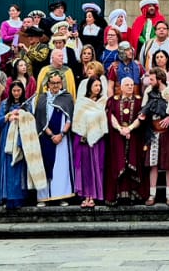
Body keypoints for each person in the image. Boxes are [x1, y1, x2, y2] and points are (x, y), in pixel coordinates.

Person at [32, 70, 75, 205]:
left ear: (62, 83)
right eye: (52, 83)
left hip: (62, 139)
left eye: (58, 83)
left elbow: (70, 118)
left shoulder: (67, 98)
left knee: (61, 168)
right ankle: (44, 197)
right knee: (45, 166)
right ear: (48, 84)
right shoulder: (43, 98)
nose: (55, 86)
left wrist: (61, 134)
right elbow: (40, 119)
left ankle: (61, 196)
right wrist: (51, 135)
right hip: (46, 138)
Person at [0, 81, 38, 210]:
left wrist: (22, 116)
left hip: (22, 137)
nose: (16, 93)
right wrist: (9, 116)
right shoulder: (4, 104)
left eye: (19, 90)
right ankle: (8, 197)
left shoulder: (27, 104)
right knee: (8, 168)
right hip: (7, 139)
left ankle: (20, 197)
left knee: (20, 167)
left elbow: (32, 119)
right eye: (14, 91)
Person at [104, 76, 146, 205]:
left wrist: (130, 129)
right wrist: (120, 129)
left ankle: (133, 195)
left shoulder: (139, 101)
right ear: (121, 87)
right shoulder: (113, 101)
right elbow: (110, 116)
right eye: (127, 85)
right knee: (118, 162)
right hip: (117, 137)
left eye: (132, 85)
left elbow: (142, 117)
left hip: (134, 137)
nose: (130, 87)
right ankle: (119, 195)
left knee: (133, 162)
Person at [71, 75, 111, 207]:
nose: (98, 88)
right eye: (95, 85)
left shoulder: (104, 101)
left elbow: (105, 119)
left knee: (96, 167)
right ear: (89, 87)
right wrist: (82, 134)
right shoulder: (82, 102)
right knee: (85, 168)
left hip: (98, 140)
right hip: (83, 139)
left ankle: (93, 196)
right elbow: (77, 119)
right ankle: (85, 196)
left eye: (100, 86)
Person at [142, 74, 169, 205]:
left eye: (152, 79)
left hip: (168, 132)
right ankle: (152, 195)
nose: (149, 82)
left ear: (159, 80)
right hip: (153, 131)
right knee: (153, 164)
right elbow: (144, 107)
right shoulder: (149, 91)